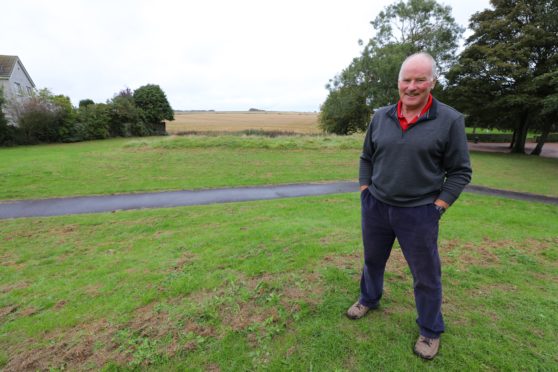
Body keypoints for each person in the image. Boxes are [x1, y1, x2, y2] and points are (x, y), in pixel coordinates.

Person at [346, 52, 472, 360]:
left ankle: (430, 330)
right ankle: (369, 298)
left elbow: (460, 171)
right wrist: (365, 191)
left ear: (432, 82)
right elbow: (367, 157)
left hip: (419, 213)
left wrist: (438, 207)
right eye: (407, 79)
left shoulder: (449, 120)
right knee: (372, 261)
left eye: (420, 79)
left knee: (426, 275)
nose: (412, 86)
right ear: (398, 82)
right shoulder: (381, 116)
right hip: (376, 206)